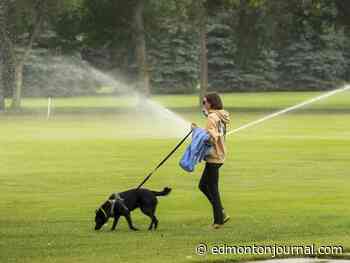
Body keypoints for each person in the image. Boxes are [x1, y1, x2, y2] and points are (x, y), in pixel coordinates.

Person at [192, 92, 230, 229]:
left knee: (213, 189)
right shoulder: (220, 115)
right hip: (220, 155)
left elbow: (211, 137)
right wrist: (207, 115)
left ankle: (219, 220)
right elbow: (215, 126)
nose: (203, 104)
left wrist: (196, 131)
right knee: (203, 185)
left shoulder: (212, 118)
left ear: (211, 103)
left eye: (204, 102)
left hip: (214, 156)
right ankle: (221, 213)